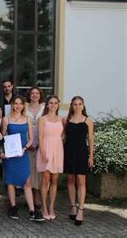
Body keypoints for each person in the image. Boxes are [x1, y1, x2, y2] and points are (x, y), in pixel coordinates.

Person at [0, 96, 43, 221]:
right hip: (10, 155)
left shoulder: (28, 119)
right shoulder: (6, 119)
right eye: (15, 103)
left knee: (27, 181)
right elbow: (2, 137)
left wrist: (24, 148)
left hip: (22, 154)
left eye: (20, 103)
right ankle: (13, 207)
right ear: (12, 105)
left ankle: (32, 211)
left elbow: (31, 138)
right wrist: (3, 152)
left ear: (24, 105)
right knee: (11, 181)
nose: (18, 106)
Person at [64, 96, 95, 226]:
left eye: (80, 104)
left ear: (83, 105)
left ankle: (81, 209)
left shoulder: (88, 120)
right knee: (70, 179)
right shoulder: (68, 120)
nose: (77, 106)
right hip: (69, 152)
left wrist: (91, 156)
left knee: (81, 180)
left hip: (82, 152)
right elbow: (63, 137)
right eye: (75, 104)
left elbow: (91, 140)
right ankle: (73, 207)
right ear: (72, 106)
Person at [37, 95, 64, 220]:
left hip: (58, 150)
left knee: (54, 180)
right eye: (51, 103)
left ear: (58, 105)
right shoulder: (42, 119)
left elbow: (64, 136)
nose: (53, 105)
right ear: (47, 105)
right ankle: (44, 207)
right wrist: (43, 153)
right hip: (46, 149)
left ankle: (52, 206)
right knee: (46, 179)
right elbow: (41, 137)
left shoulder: (62, 119)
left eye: (55, 103)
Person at [25, 87, 45, 210]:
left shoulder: (44, 108)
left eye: (37, 93)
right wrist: (28, 143)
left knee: (39, 171)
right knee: (29, 170)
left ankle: (37, 197)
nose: (34, 95)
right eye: (32, 93)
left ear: (40, 95)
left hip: (41, 142)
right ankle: (29, 197)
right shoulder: (25, 108)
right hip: (28, 142)